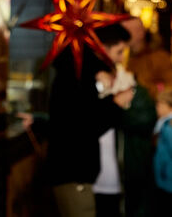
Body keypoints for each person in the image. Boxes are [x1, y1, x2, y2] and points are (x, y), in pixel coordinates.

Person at [47, 24, 131, 217]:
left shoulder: (84, 73)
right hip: (74, 172)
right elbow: (86, 125)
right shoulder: (77, 76)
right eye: (119, 51)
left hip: (77, 172)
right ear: (102, 47)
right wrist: (116, 103)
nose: (120, 58)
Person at [93, 25, 157, 217]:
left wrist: (118, 106)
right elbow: (78, 120)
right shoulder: (90, 83)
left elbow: (147, 120)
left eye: (124, 52)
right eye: (119, 52)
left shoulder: (131, 86)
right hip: (93, 176)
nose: (122, 58)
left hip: (124, 174)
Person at [122, 18, 172, 100]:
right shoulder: (130, 58)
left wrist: (150, 91)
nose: (122, 35)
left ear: (140, 33)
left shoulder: (158, 57)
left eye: (127, 31)